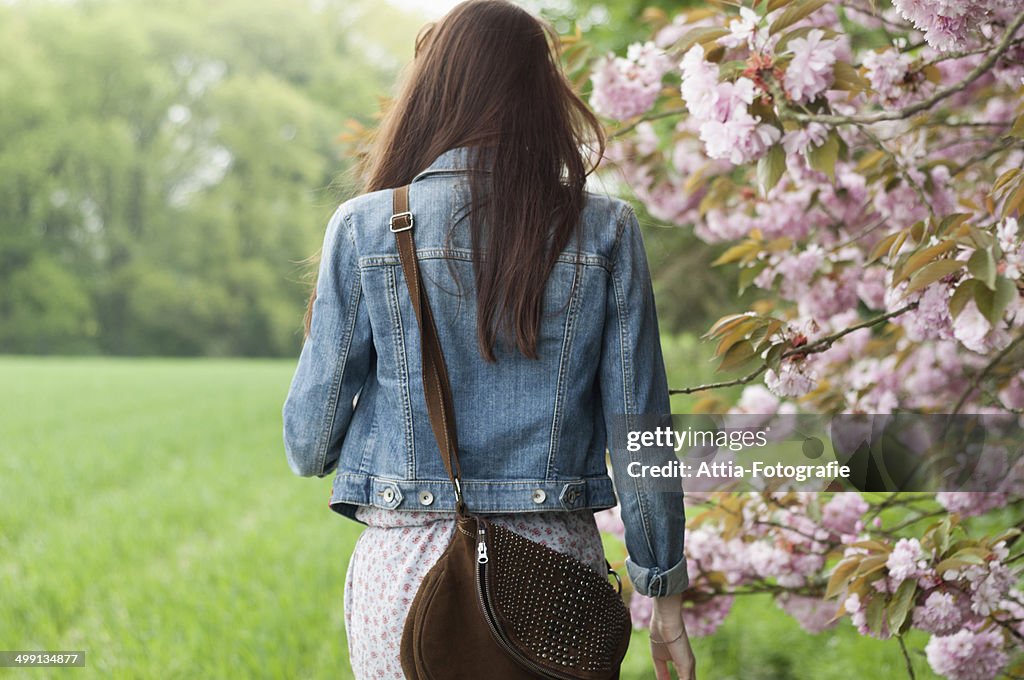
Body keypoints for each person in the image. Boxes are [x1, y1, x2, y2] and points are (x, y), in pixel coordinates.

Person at [282, 1, 695, 678]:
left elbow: (307, 446)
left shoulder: (365, 228)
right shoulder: (607, 231)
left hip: (408, 572)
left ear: (433, 92)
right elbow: (641, 433)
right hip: (557, 575)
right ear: (542, 98)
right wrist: (666, 597)